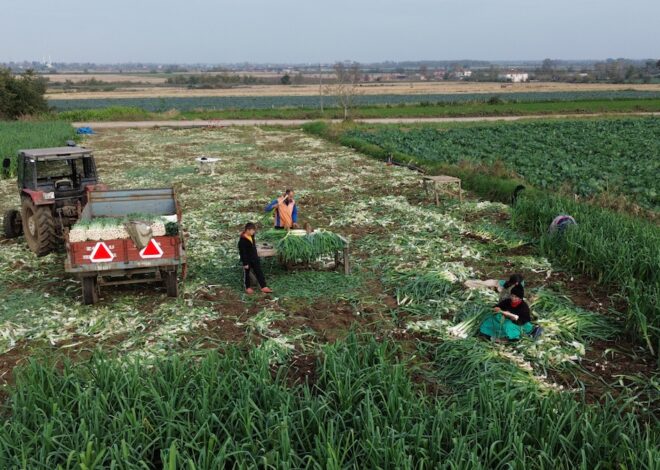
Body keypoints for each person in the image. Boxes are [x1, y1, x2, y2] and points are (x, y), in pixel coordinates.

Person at [238, 222, 272, 294]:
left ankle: (263, 286)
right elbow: (242, 253)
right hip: (248, 260)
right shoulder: (242, 241)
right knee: (246, 274)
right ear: (248, 230)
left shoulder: (252, 236)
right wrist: (245, 263)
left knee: (259, 271)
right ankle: (247, 287)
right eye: (253, 230)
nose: (254, 232)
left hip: (254, 258)